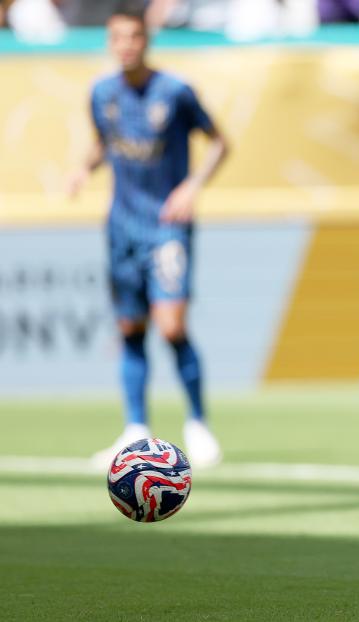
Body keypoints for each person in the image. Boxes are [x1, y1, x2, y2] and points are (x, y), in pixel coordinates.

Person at [68, 1, 229, 469]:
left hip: (166, 227)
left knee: (172, 325)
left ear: (147, 40)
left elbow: (220, 142)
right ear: (110, 42)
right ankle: (135, 428)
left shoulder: (175, 91)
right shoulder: (101, 93)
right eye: (118, 38)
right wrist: (84, 168)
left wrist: (192, 186)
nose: (126, 46)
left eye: (134, 37)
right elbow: (104, 142)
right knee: (129, 327)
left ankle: (198, 424)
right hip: (121, 226)